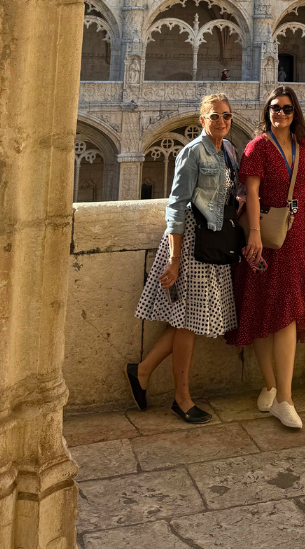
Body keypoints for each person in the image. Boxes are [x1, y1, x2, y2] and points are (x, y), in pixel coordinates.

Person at [128, 93, 240, 422]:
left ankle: (142, 371)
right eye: (214, 116)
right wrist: (174, 260)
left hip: (213, 240)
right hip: (190, 241)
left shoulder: (229, 150)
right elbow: (176, 207)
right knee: (188, 323)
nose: (221, 121)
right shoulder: (193, 152)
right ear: (201, 120)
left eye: (226, 116)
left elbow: (229, 191)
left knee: (185, 322)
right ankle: (182, 398)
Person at [227, 86, 305, 429]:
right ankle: (276, 390)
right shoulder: (257, 147)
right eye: (274, 108)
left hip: (295, 234)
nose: (279, 113)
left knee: (287, 310)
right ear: (267, 111)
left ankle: (282, 395)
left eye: (285, 108)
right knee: (264, 308)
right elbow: (250, 192)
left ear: (295, 113)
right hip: (264, 234)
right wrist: (253, 234)